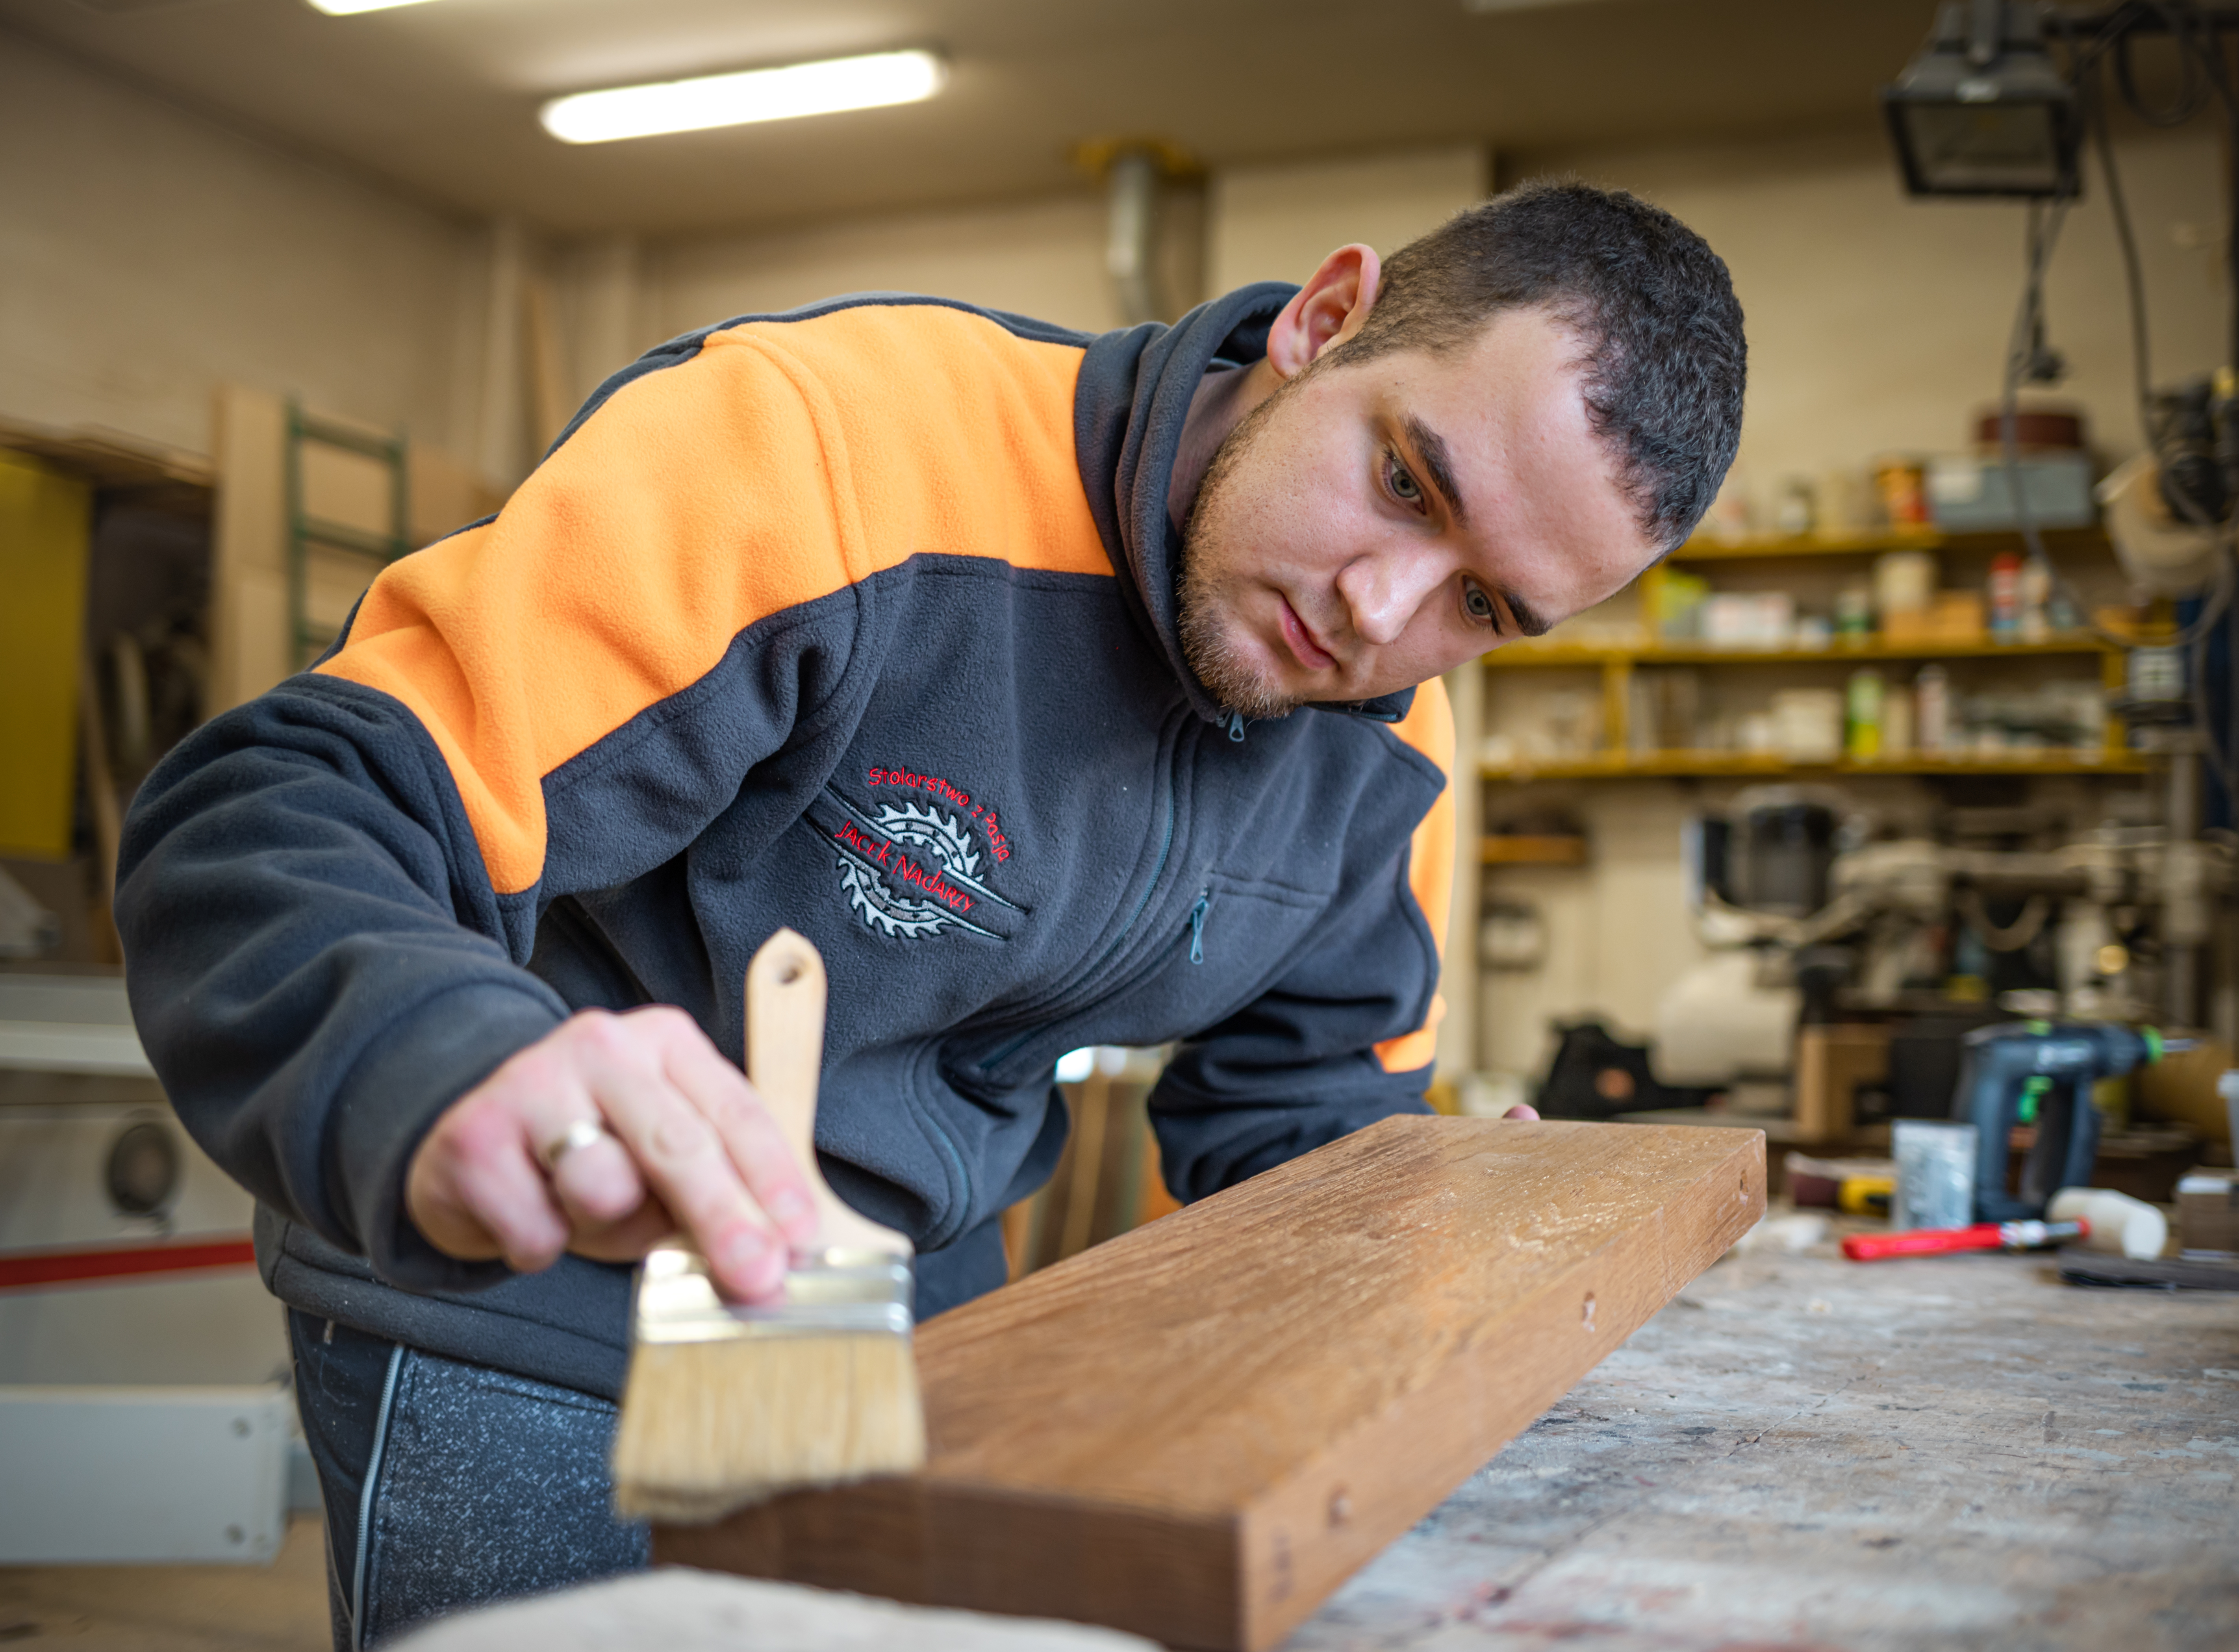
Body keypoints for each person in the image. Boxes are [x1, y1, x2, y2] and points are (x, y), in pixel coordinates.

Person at [116, 179, 1745, 1648]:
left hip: (914, 1323)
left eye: (1481, 605)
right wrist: (447, 1061)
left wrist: (1435, 1220)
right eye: (1403, 481)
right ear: (1323, 324)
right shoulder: (828, 445)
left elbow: (1307, 1116)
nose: (1378, 612)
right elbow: (286, 805)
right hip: (539, 1299)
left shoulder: (1391, 740)